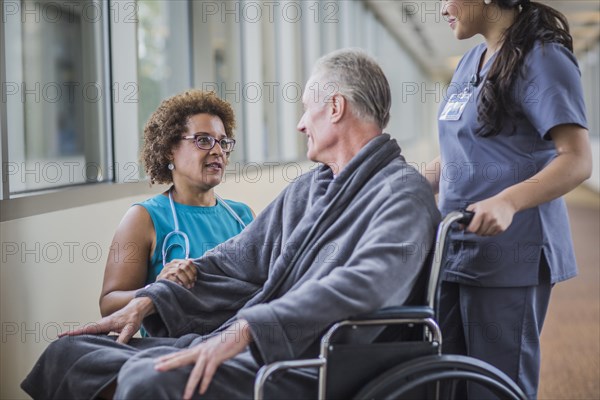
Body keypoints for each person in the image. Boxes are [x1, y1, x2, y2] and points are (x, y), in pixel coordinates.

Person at [21, 49, 441, 400]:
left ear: (335, 107)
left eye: (305, 109)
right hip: (255, 343)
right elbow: (236, 261)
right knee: (71, 353)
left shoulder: (402, 193)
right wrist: (151, 299)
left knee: (150, 379)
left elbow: (366, 285)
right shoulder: (312, 187)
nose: (299, 124)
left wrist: (249, 329)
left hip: (308, 362)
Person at [427, 1, 592, 398]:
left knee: (496, 386)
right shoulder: (470, 62)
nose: (442, 8)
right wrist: (396, 184)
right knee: (447, 383)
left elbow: (576, 159)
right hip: (457, 248)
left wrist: (509, 201)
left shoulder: (544, 58)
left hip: (511, 251)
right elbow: (457, 154)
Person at [99, 90, 254, 320]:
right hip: (173, 349)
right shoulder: (144, 218)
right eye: (203, 140)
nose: (217, 151)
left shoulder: (242, 216)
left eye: (223, 142)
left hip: (235, 344)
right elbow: (109, 306)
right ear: (170, 149)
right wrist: (158, 288)